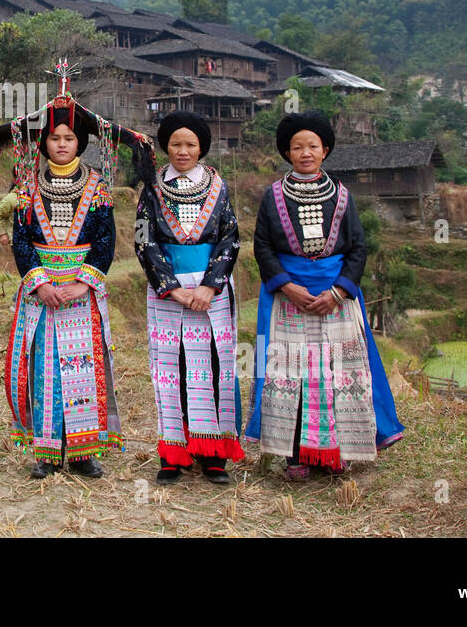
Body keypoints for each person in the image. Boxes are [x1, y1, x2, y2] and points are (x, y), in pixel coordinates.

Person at [0, 59, 151, 479]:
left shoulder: (97, 189)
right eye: (55, 138)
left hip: (80, 293)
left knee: (84, 367)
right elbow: (22, 240)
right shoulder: (27, 188)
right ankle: (45, 451)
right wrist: (39, 284)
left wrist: (83, 283)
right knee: (43, 366)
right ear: (44, 144)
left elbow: (106, 240)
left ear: (81, 143)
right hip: (40, 293)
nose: (61, 144)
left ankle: (82, 451)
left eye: (69, 137)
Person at [244, 110, 405, 479]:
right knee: (291, 372)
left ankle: (338, 451)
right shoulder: (272, 196)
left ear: (325, 150)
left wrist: (338, 291)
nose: (305, 153)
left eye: (312, 146)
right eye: (297, 147)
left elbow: (358, 248)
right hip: (288, 297)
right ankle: (296, 455)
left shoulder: (343, 197)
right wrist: (287, 286)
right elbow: (263, 246)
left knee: (337, 373)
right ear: (287, 153)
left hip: (337, 297)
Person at [135, 111, 243, 485]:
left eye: (190, 144)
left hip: (210, 292)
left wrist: (210, 285)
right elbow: (143, 239)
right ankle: (174, 453)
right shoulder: (151, 187)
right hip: (168, 290)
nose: (183, 151)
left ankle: (212, 454)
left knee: (213, 366)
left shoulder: (218, 186)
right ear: (166, 147)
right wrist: (171, 287)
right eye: (176, 144)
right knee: (172, 370)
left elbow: (230, 236)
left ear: (202, 148)